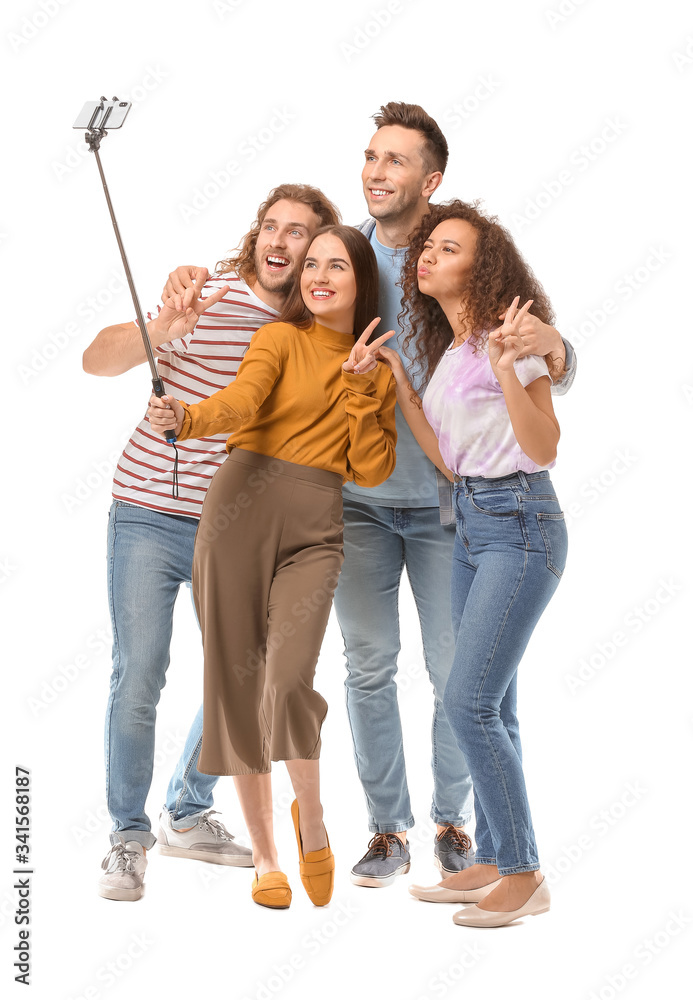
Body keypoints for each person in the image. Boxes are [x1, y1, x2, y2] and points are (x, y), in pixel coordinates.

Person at [162, 101, 577, 890]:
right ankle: (385, 830)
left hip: (451, 506)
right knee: (364, 665)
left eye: (395, 160)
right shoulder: (343, 250)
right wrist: (191, 280)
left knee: (458, 670)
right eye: (370, 157)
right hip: (350, 499)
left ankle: (455, 823)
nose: (376, 172)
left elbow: (526, 331)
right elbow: (261, 279)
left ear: (431, 177)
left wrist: (557, 351)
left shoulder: (453, 251)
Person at [83, 184, 341, 901]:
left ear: (319, 250)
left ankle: (187, 811)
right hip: (143, 510)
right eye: (272, 227)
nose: (281, 242)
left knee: (249, 676)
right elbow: (95, 360)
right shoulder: (209, 297)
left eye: (300, 232)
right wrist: (161, 331)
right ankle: (127, 838)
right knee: (139, 673)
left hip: (233, 527)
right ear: (256, 236)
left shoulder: (313, 330)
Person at [147, 225, 397, 909]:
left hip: (317, 526)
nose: (317, 275)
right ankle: (265, 856)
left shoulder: (375, 366)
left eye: (334, 265)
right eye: (310, 263)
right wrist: (189, 417)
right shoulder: (278, 339)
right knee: (234, 684)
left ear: (359, 280)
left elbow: (371, 467)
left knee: (288, 679)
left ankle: (311, 817)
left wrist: (357, 389)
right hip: (238, 510)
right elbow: (241, 402)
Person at [376, 199, 568, 927]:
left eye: (446, 248)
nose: (427, 254)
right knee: (496, 705)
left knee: (467, 702)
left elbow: (544, 446)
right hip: (468, 524)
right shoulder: (455, 352)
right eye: (427, 246)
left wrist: (511, 372)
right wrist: (399, 382)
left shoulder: (506, 339)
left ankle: (525, 874)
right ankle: (490, 855)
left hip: (522, 524)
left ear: (479, 268)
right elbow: (449, 463)